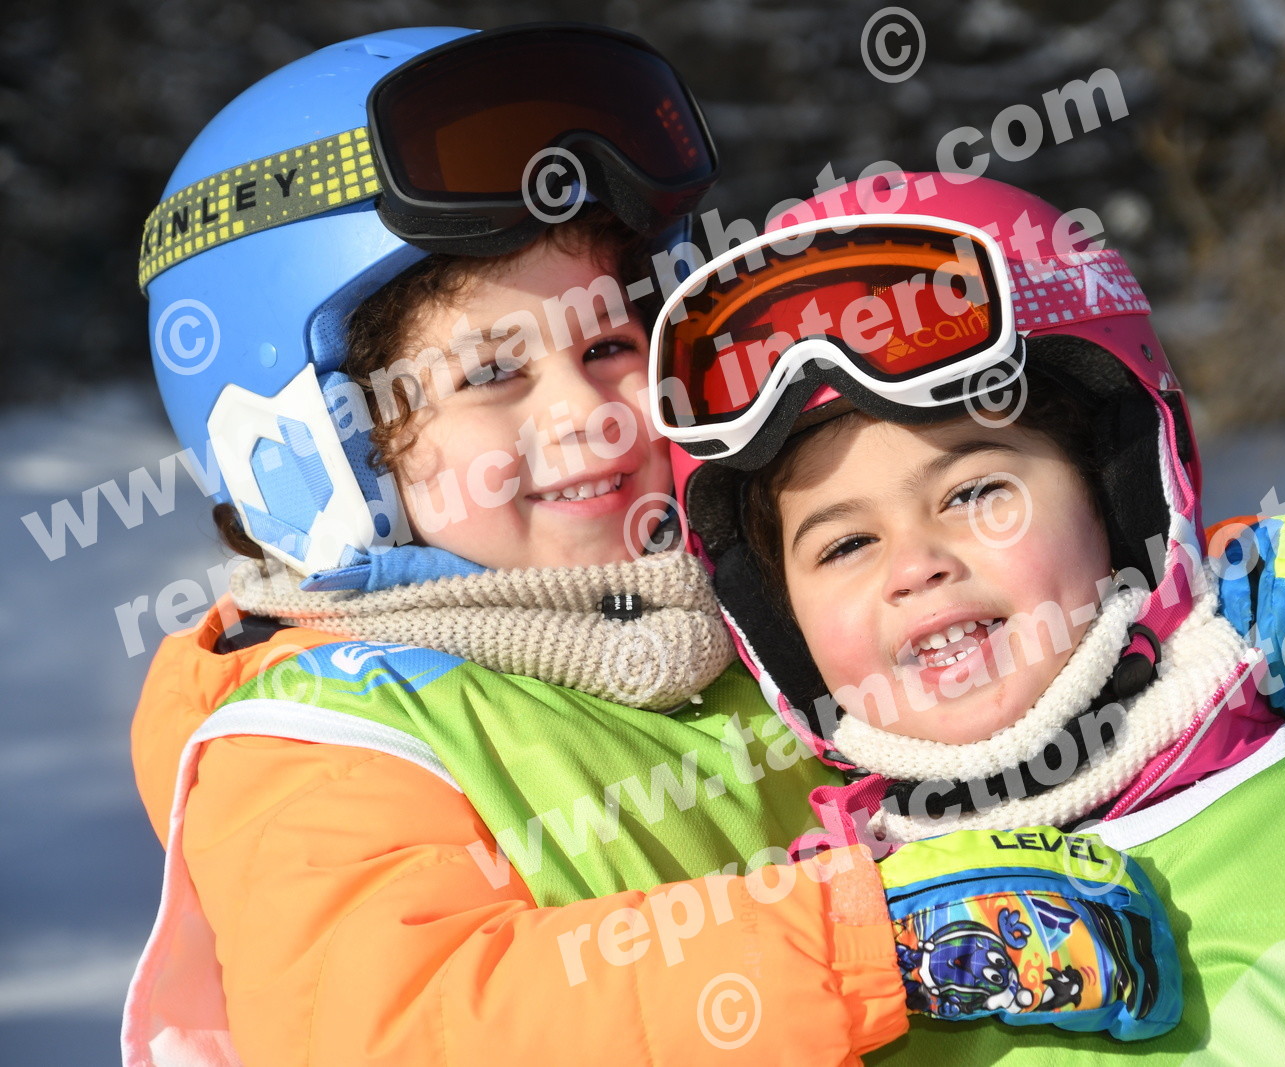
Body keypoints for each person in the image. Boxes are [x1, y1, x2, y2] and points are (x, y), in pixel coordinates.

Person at [126, 26, 1192, 1065]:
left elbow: (1020, 628)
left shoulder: (727, 619)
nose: (587, 414)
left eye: (607, 344)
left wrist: (1215, 606)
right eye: (490, 374)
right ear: (309, 443)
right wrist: (871, 944)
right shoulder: (317, 737)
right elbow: (400, 1025)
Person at [652, 170, 1285, 1063]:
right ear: (778, 623)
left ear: (1120, 500)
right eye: (845, 544)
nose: (916, 566)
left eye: (976, 492)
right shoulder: (812, 980)